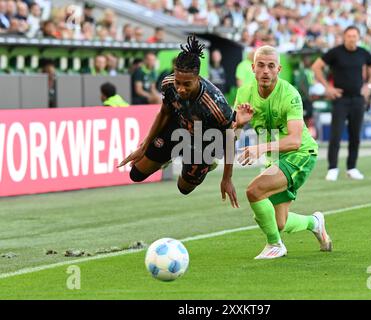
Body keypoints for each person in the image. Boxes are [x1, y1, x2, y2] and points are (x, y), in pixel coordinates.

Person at [118, 35, 252, 207]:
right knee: (136, 175)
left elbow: (229, 139)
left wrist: (227, 178)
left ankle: (208, 162)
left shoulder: (216, 105)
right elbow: (164, 113)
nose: (180, 88)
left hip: (204, 142)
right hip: (177, 127)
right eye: (178, 82)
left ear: (198, 78)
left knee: (184, 188)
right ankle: (169, 155)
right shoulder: (168, 83)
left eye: (187, 84)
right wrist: (144, 146)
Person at [235, 45, 332, 260]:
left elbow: (295, 140)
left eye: (271, 66)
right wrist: (238, 125)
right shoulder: (244, 93)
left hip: (301, 154)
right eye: (261, 65)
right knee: (279, 222)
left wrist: (260, 148)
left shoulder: (290, 94)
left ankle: (275, 245)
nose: (266, 71)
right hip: (275, 158)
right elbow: (231, 136)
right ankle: (314, 223)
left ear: (279, 69)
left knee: (254, 191)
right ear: (253, 68)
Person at [311, 26, 371, 181]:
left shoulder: (363, 53)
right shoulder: (335, 52)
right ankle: (332, 168)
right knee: (336, 135)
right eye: (349, 36)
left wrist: (369, 86)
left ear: (358, 37)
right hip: (340, 99)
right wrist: (327, 87)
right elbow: (316, 66)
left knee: (355, 135)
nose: (352, 38)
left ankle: (352, 167)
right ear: (344, 37)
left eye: (354, 36)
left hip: (358, 99)